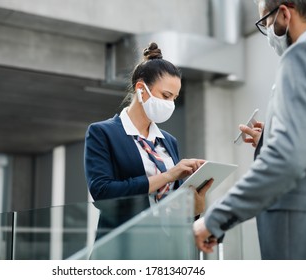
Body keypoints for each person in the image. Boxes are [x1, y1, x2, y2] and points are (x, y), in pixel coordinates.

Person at [193, 0, 306, 260]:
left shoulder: (303, 55)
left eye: (265, 22)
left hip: (303, 241)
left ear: (284, 14)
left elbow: (287, 159)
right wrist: (271, 138)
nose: (268, 31)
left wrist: (215, 218)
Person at [84, 42, 213, 238]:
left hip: (167, 248)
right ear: (141, 89)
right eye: (166, 95)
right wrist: (169, 175)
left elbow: (171, 205)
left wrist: (194, 208)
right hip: (123, 250)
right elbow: (103, 193)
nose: (170, 104)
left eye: (174, 98)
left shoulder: (168, 141)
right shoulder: (102, 133)